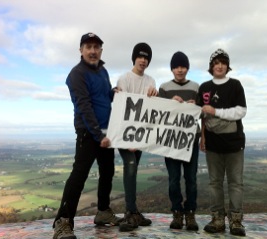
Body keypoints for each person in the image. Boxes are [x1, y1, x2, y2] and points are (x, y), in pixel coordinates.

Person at [53, 32, 122, 239]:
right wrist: (96, 133)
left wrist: (114, 92)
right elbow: (83, 105)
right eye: (88, 47)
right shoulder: (77, 74)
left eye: (96, 47)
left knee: (107, 172)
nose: (93, 51)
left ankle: (102, 211)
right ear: (81, 50)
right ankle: (63, 222)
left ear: (101, 50)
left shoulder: (103, 71)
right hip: (88, 132)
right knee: (79, 176)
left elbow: (103, 97)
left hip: (105, 132)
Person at [197, 49, 247, 236]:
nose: (219, 66)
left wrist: (216, 112)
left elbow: (241, 111)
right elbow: (199, 113)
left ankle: (236, 221)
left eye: (223, 62)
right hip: (213, 145)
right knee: (214, 183)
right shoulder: (203, 87)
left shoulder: (235, 85)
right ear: (211, 66)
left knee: (235, 183)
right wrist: (203, 136)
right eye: (216, 63)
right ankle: (217, 219)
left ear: (227, 66)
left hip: (234, 143)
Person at [116, 42, 158, 232]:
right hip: (124, 134)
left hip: (141, 135)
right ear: (134, 58)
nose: (143, 60)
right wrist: (128, 140)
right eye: (140, 56)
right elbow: (122, 108)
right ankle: (130, 212)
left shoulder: (151, 81)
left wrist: (154, 95)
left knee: (134, 169)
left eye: (146, 57)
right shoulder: (124, 79)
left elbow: (151, 109)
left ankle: (134, 212)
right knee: (130, 166)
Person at [158, 51, 200, 231]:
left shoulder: (197, 87)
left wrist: (195, 106)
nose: (180, 70)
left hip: (191, 140)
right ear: (172, 69)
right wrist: (169, 102)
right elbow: (158, 114)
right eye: (176, 67)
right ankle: (176, 212)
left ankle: (190, 213)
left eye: (183, 66)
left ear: (187, 68)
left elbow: (202, 112)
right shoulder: (164, 88)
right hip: (170, 140)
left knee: (191, 178)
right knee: (174, 179)